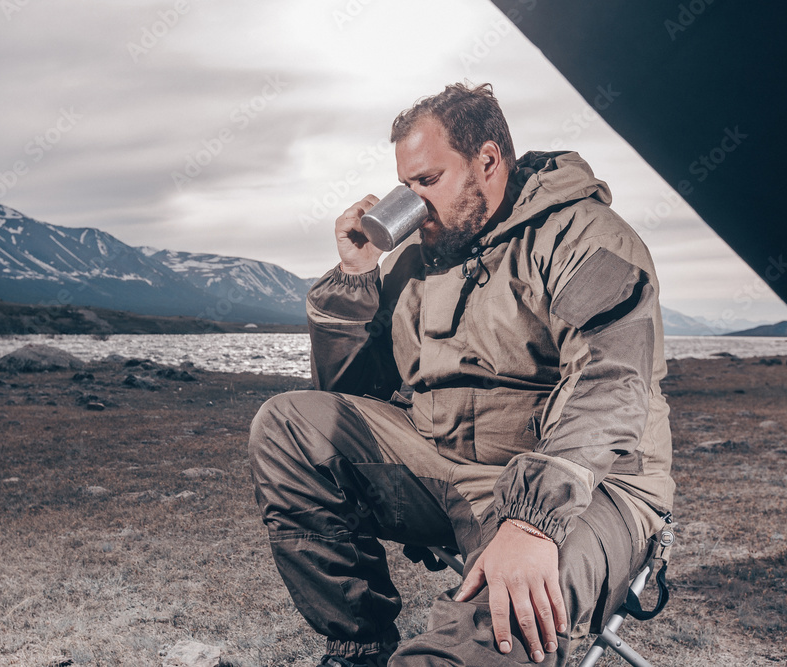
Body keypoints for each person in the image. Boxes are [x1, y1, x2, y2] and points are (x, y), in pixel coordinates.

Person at [249, 82, 675, 666]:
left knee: (498, 630)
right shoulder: (414, 260)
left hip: (585, 488)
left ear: (489, 160)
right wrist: (354, 279)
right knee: (288, 425)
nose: (414, 202)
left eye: (428, 181)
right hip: (444, 465)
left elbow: (610, 385)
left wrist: (532, 523)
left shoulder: (586, 237)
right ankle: (359, 648)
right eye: (406, 185)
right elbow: (351, 397)